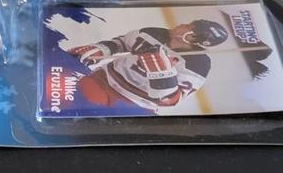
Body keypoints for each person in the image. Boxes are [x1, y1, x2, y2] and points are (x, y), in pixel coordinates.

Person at [68, 20, 229, 110]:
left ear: (194, 38)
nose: (183, 24)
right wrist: (103, 49)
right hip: (102, 79)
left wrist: (163, 78)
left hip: (134, 104)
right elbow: (123, 43)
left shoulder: (198, 64)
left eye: (189, 27)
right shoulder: (153, 33)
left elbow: (172, 100)